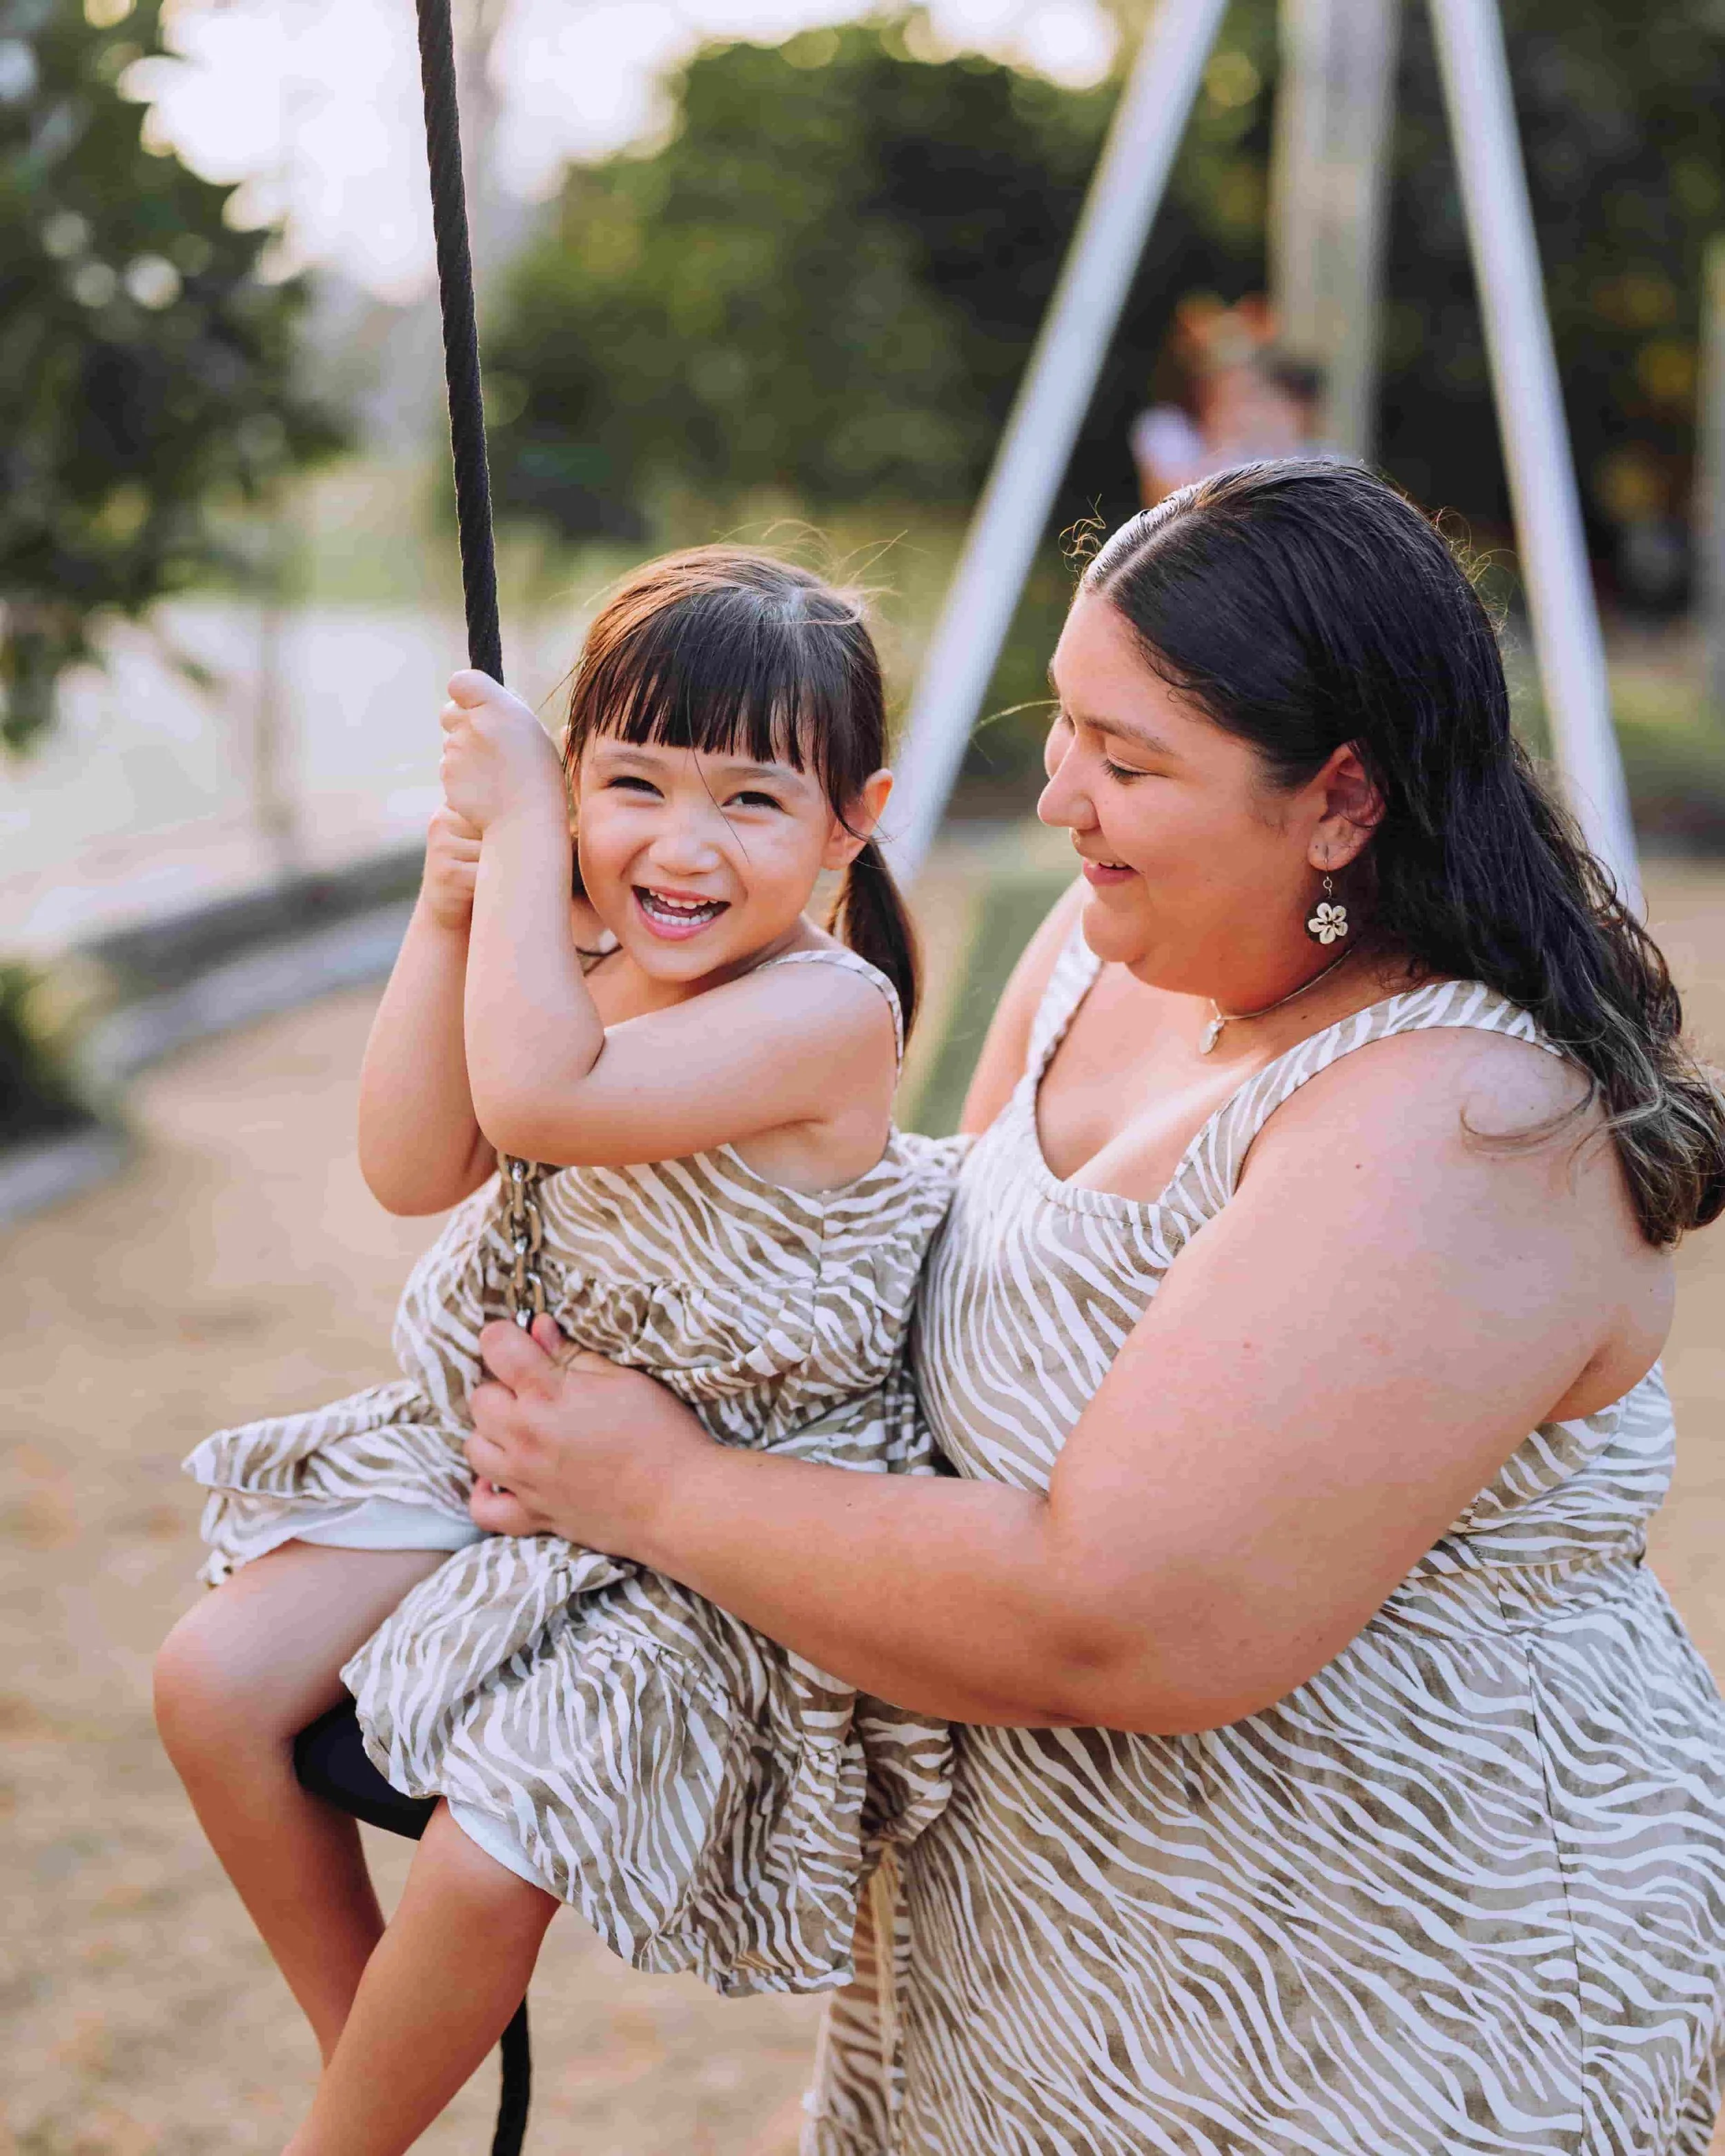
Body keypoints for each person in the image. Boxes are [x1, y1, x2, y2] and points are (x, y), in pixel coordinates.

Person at [448, 463, 1725, 2155]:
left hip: (1375, 2017)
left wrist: (657, 1488)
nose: (1060, 794)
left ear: (1339, 801)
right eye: (1065, 727)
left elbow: (1123, 1617)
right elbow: (901, 1328)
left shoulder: (1463, 1116)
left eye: (1128, 762)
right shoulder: (1102, 945)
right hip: (1012, 1968)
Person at [152, 548, 959, 2153]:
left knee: (488, 1841)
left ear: (850, 820)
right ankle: (361, 2065)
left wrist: (528, 833)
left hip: (705, 1508)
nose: (678, 845)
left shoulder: (828, 1011)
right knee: (212, 1681)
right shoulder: (564, 953)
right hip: (507, 1437)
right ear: (580, 779)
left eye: (750, 802)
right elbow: (412, 1162)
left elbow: (538, 1101)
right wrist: (454, 900)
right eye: (630, 783)